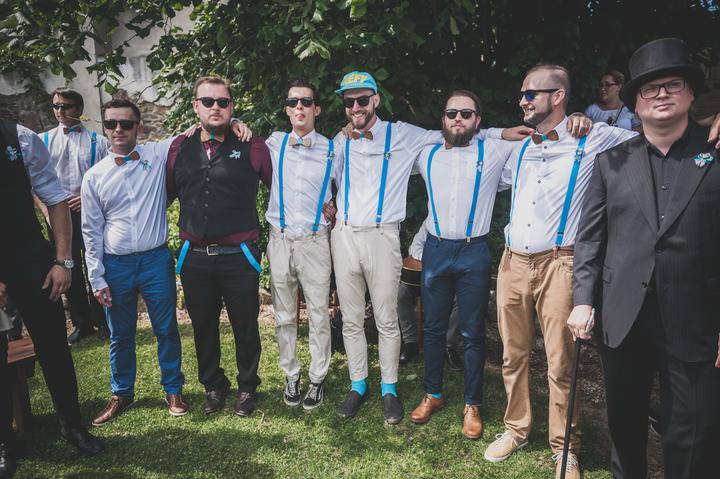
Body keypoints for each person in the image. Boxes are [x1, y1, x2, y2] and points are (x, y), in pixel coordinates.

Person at [330, 71, 520, 424]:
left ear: (376, 99)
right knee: (361, 319)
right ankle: (366, 385)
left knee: (400, 320)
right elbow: (324, 175)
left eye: (362, 99)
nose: (356, 107)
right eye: (349, 101)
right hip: (349, 236)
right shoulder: (341, 141)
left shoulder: (408, 136)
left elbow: (458, 134)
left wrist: (500, 132)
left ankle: (405, 392)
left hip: (405, 238)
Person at [570, 38, 720, 479]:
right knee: (624, 423)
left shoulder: (715, 154)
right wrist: (583, 298)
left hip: (696, 319)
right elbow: (590, 239)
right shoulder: (610, 162)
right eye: (649, 88)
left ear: (691, 94)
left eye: (672, 84)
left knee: (692, 431)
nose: (661, 94)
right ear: (635, 102)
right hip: (623, 317)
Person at [485, 63, 636, 479]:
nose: (522, 101)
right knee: (512, 355)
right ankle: (516, 428)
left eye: (530, 93)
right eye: (522, 93)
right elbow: (468, 137)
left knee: (560, 363)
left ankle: (563, 447)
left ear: (558, 97)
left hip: (560, 263)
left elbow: (652, 135)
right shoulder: (518, 146)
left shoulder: (594, 136)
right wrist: (500, 131)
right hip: (512, 261)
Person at [409, 90, 520, 439]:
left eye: (466, 113)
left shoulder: (495, 150)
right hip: (436, 249)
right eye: (452, 113)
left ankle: (472, 404)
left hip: (474, 251)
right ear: (443, 119)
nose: (458, 118)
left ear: (477, 121)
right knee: (432, 327)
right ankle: (433, 393)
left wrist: (498, 132)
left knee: (472, 331)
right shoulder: (425, 154)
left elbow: (535, 139)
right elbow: (391, 144)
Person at [1, 118, 104, 479]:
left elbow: (56, 199)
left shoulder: (20, 138)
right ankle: (4, 443)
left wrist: (63, 261)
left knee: (54, 348)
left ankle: (72, 427)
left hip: (31, 261)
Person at [167, 75, 271, 418]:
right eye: (208, 101)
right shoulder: (178, 147)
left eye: (223, 102)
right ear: (195, 106)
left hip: (239, 255)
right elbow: (165, 193)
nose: (216, 107)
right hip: (195, 256)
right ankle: (213, 385)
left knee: (246, 326)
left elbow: (281, 189)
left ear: (232, 106)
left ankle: (247, 387)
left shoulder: (253, 146)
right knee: (203, 326)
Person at [81, 99, 188, 425]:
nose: (118, 129)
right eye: (111, 123)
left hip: (156, 261)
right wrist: (96, 277)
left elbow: (194, 131)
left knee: (166, 329)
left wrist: (233, 121)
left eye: (125, 123)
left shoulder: (156, 154)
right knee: (120, 334)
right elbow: (90, 231)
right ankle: (121, 393)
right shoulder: (94, 177)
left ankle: (173, 389)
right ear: (105, 127)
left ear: (138, 126)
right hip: (116, 266)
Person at [265, 79, 335, 410]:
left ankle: (317, 377)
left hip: (315, 241)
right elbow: (237, 137)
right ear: (287, 109)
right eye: (293, 102)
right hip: (279, 239)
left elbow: (354, 185)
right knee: (283, 314)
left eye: (306, 102)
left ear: (316, 109)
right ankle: (291, 374)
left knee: (319, 313)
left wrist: (336, 206)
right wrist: (233, 121)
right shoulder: (274, 142)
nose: (299, 107)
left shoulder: (333, 148)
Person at [39, 88, 111, 343]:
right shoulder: (42, 141)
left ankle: (104, 321)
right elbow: (34, 182)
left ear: (79, 109)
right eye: (56, 106)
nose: (60, 111)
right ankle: (82, 323)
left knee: (95, 264)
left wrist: (89, 198)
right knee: (68, 267)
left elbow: (109, 179)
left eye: (66, 106)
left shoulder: (99, 142)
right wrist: (47, 211)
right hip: (57, 216)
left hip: (89, 213)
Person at [397, 227, 464, 369]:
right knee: (402, 293)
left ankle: (449, 346)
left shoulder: (463, 226)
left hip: (450, 277)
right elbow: (415, 246)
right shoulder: (430, 221)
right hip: (428, 273)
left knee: (461, 299)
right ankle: (411, 343)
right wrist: (430, 259)